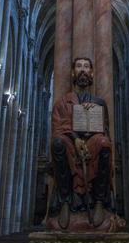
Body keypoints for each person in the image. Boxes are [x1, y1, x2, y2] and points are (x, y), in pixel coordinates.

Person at [48, 57, 115, 230]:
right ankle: (65, 201)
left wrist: (91, 136)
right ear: (73, 72)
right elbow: (57, 129)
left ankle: (99, 200)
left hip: (92, 142)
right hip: (70, 143)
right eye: (79, 66)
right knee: (57, 144)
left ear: (92, 73)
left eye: (86, 67)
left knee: (104, 143)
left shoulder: (99, 103)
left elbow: (104, 129)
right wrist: (76, 139)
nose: (83, 70)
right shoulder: (62, 103)